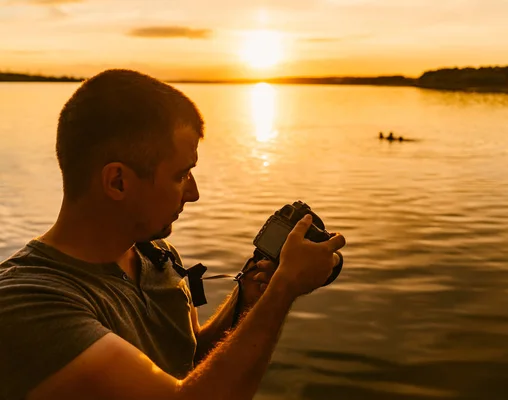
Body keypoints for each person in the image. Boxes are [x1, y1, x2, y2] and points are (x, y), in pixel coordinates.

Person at [0, 69, 346, 400]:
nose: (193, 193)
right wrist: (283, 290)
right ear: (118, 181)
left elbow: (190, 365)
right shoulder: (27, 305)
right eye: (181, 175)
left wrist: (252, 296)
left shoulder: (157, 255)